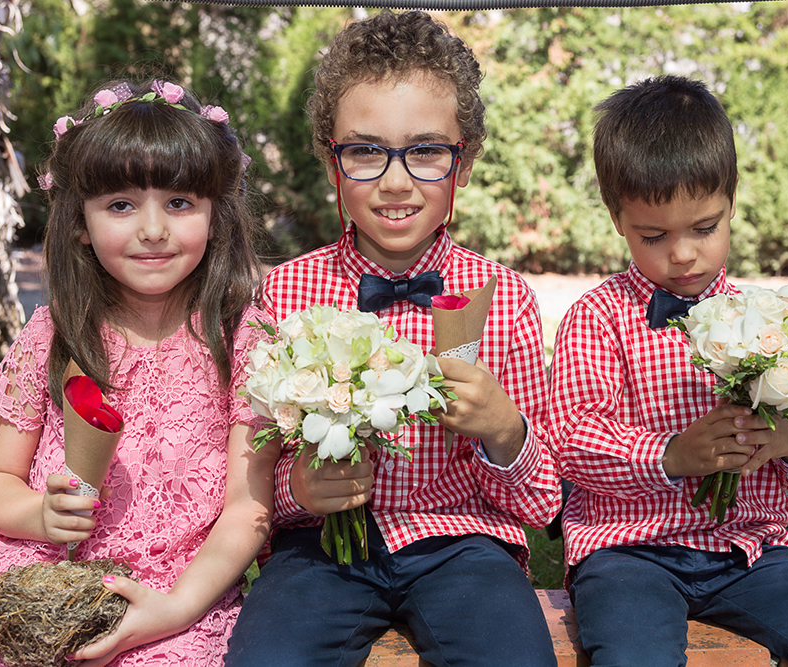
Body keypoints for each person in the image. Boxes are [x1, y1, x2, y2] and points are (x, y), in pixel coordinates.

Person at [0, 80, 279, 667]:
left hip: (175, 597)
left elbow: (247, 509)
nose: (153, 229)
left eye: (179, 203)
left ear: (215, 215)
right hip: (40, 587)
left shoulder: (241, 340)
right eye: (121, 205)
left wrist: (174, 608)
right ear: (80, 221)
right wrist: (38, 515)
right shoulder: (55, 334)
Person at [225, 10, 560, 667]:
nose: (397, 179)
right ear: (332, 161)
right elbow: (249, 469)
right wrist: (299, 486)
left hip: (463, 544)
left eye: (427, 151)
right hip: (319, 551)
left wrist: (503, 429)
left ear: (463, 164)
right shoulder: (283, 296)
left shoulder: (504, 298)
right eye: (367, 150)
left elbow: (543, 501)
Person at [548, 75, 788, 666]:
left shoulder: (770, 320)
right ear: (617, 219)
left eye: (704, 228)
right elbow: (573, 442)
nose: (682, 254)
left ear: (731, 204)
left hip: (751, 554)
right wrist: (671, 456)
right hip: (629, 554)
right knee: (634, 658)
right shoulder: (597, 317)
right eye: (653, 236)